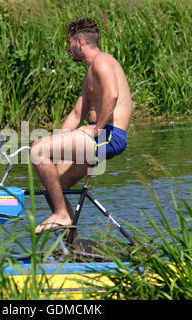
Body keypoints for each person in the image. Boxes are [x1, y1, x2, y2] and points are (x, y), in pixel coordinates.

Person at [30, 18, 133, 234]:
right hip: (98, 136)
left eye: (69, 44)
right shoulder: (89, 75)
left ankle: (62, 216)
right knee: (53, 186)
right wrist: (56, 142)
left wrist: (97, 128)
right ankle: (72, 244)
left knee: (37, 150)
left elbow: (112, 95)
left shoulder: (102, 61)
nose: (68, 49)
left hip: (108, 135)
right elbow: (77, 115)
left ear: (79, 42)